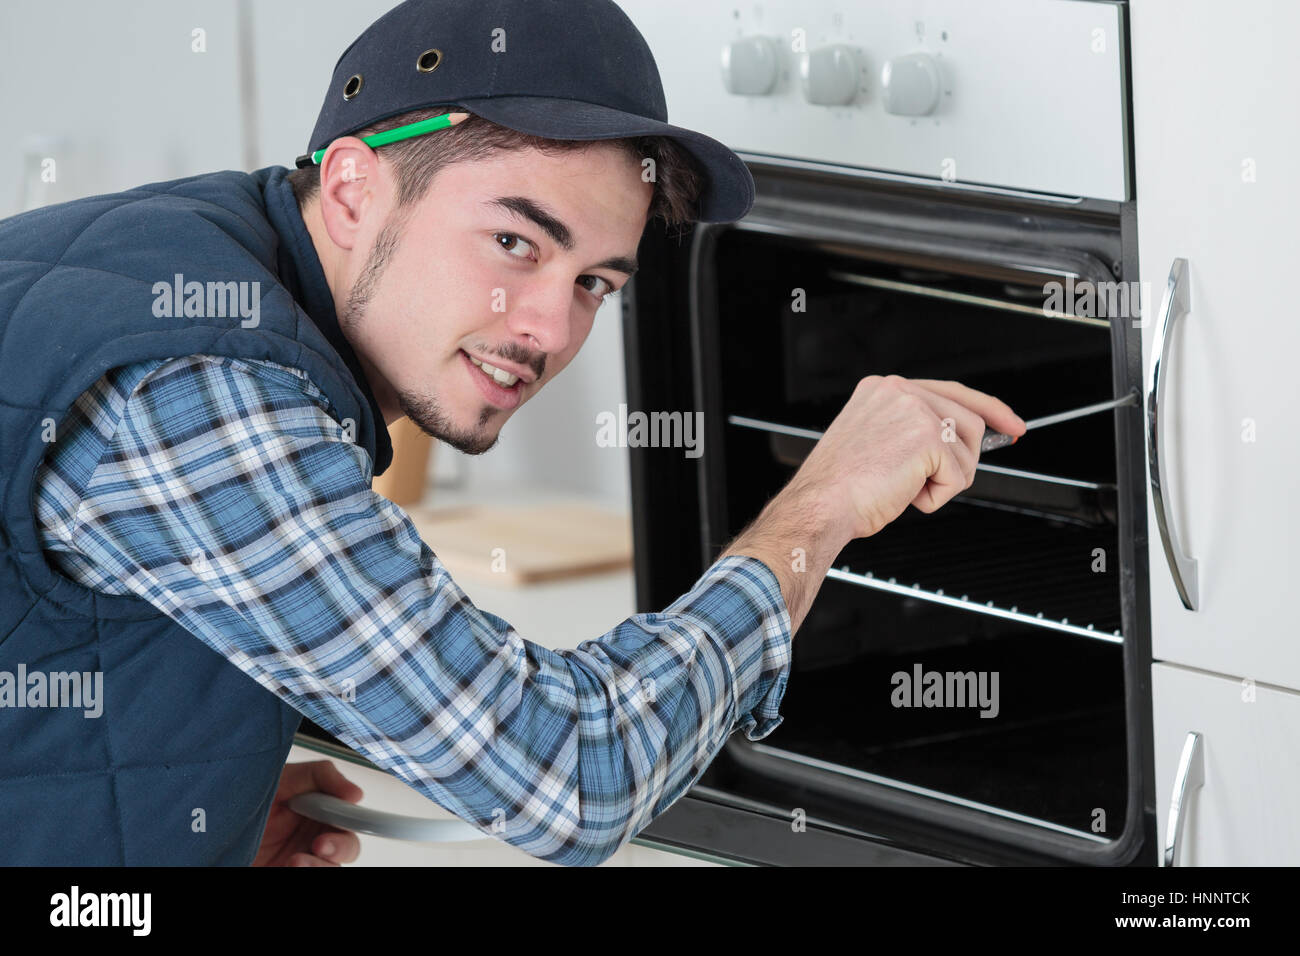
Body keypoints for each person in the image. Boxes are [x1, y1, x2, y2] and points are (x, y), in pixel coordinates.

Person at [0, 0, 1024, 867]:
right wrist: (820, 503)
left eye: (593, 283)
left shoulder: (172, 258)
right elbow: (572, 773)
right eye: (513, 241)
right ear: (356, 188)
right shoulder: (202, 387)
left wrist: (185, 792)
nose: (548, 327)